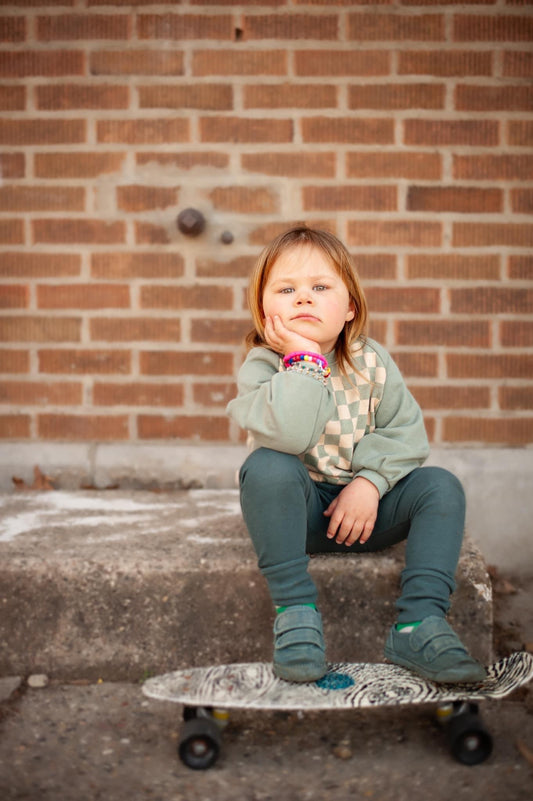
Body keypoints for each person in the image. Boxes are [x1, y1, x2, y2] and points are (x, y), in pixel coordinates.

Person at [226, 226, 486, 685]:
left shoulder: (373, 363)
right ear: (265, 310)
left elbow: (406, 433)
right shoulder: (263, 366)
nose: (303, 299)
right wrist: (304, 360)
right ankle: (297, 617)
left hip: (367, 514)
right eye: (287, 290)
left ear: (349, 308)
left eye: (320, 288)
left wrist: (370, 483)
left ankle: (418, 624)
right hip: (298, 518)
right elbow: (288, 434)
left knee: (440, 486)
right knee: (267, 466)